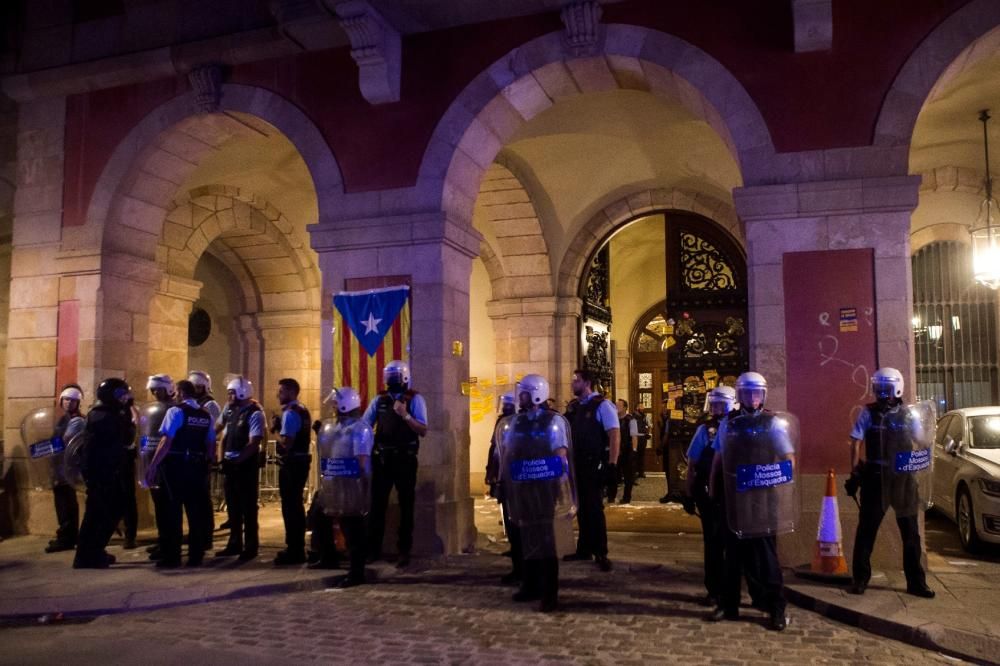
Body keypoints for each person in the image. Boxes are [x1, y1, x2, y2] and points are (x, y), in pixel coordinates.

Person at [707, 372, 793, 631]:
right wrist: (712, 488)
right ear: (740, 395)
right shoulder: (729, 423)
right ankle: (728, 604)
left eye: (756, 393)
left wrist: (782, 477)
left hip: (763, 496)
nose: (752, 398)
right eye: (747, 393)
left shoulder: (772, 423)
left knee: (766, 555)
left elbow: (788, 455)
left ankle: (776, 607)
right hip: (735, 495)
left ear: (763, 395)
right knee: (732, 553)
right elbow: (718, 459)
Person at [846, 367, 935, 598]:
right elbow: (856, 441)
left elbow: (922, 441)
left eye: (887, 389)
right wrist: (855, 472)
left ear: (897, 388)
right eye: (879, 389)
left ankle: (916, 582)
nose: (882, 393)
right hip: (876, 477)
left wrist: (923, 455)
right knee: (866, 531)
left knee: (911, 533)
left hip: (903, 479)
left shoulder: (908, 414)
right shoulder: (868, 412)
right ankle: (860, 579)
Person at [499, 374, 575, 612]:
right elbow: (508, 450)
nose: (520, 397)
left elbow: (561, 451)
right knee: (526, 534)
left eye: (524, 393)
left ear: (536, 394)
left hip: (545, 486)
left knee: (546, 537)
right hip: (523, 484)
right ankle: (530, 584)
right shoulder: (518, 422)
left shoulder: (552, 422)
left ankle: (549, 592)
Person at [144, 380, 215, 567]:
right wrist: (208, 464)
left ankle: (172, 556)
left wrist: (152, 465)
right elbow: (210, 444)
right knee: (195, 513)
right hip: (197, 467)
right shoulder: (205, 415)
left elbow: (166, 441)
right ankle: (196, 555)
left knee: (172, 513)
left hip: (175, 466)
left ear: (181, 393)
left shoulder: (175, 411)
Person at [364, 360, 428, 568]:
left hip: (405, 458)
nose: (392, 381)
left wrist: (405, 415)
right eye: (389, 377)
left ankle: (404, 551)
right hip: (383, 458)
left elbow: (423, 430)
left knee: (406, 505)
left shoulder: (414, 399)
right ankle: (373, 549)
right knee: (377, 505)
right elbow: (366, 425)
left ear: (404, 378)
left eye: (395, 377)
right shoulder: (379, 400)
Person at [74, 378, 135, 569]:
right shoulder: (103, 415)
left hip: (106, 471)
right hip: (101, 473)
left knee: (108, 510)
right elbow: (125, 437)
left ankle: (94, 550)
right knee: (97, 514)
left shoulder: (107, 413)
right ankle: (87, 555)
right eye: (121, 394)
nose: (124, 398)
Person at [682, 385, 735, 607]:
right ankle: (714, 589)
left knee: (734, 543)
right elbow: (693, 462)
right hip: (709, 492)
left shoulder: (737, 425)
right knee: (713, 541)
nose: (716, 408)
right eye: (713, 403)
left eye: (720, 403)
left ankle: (735, 589)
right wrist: (688, 491)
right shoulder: (706, 429)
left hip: (734, 491)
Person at [563, 368, 619, 572]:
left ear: (587, 383)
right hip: (577, 464)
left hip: (594, 464)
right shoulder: (575, 407)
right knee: (582, 507)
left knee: (594, 508)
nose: (572, 384)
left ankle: (601, 552)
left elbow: (614, 434)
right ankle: (584, 549)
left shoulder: (603, 405)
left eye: (575, 381)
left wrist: (612, 464)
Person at [318, 386, 374, 588]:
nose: (333, 407)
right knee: (329, 521)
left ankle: (356, 572)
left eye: (335, 404)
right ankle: (329, 558)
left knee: (353, 530)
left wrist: (361, 487)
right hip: (336, 482)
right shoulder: (337, 427)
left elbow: (362, 460)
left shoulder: (360, 429)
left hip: (351, 485)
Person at [215, 375, 264, 562]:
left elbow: (254, 443)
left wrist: (237, 461)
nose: (228, 396)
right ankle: (234, 543)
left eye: (231, 393)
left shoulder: (255, 413)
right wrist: (221, 459)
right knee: (233, 507)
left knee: (248, 508)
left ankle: (251, 546)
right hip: (230, 464)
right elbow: (221, 432)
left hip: (245, 466)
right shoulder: (230, 411)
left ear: (241, 393)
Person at [274, 377, 313, 565]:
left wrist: (274, 430)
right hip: (302, 461)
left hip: (292, 464)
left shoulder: (290, 413)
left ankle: (294, 548)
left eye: (281, 391)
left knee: (290, 507)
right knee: (296, 505)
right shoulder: (303, 410)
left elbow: (286, 443)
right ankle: (296, 547)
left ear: (291, 392)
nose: (277, 395)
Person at [138, 374, 175, 562]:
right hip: (152, 461)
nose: (154, 393)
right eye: (152, 390)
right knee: (159, 506)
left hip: (167, 464)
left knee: (167, 507)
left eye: (158, 389)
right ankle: (162, 541)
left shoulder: (173, 409)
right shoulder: (154, 409)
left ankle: (168, 544)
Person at [45, 385, 86, 553]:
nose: (69, 403)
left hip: (67, 467)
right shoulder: (63, 419)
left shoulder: (76, 420)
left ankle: (67, 536)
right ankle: (66, 533)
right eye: (66, 399)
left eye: (73, 400)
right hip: (59, 465)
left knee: (66, 501)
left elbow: (66, 440)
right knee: (62, 501)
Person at [487, 393, 522, 584]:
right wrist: (490, 471)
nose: (506, 407)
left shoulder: (521, 422)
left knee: (519, 522)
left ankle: (522, 566)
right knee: (507, 515)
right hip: (503, 474)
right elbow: (495, 448)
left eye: (509, 404)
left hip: (518, 476)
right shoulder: (501, 422)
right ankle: (515, 553)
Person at [188, 370, 222, 549]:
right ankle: (198, 532)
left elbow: (214, 431)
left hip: (203, 453)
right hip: (194, 453)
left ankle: (206, 532)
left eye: (197, 387)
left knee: (203, 496)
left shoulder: (210, 405)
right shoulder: (194, 404)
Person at [611, 399, 638, 504]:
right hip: (615, 450)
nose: (617, 407)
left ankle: (627, 497)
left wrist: (634, 450)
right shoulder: (613, 420)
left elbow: (634, 436)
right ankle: (611, 496)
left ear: (625, 408)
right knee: (613, 474)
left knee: (628, 476)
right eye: (616, 405)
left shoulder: (630, 420)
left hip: (626, 450)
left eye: (619, 405)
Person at [657, 403, 672, 503]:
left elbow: (666, 435)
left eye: (664, 407)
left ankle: (671, 493)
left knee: (669, 471)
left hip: (669, 449)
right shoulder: (665, 419)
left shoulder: (670, 420)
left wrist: (660, 447)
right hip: (669, 449)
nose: (662, 409)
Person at [633, 404, 650, 479]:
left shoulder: (644, 417)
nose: (643, 409)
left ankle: (641, 472)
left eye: (643, 408)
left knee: (641, 455)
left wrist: (647, 432)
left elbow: (648, 425)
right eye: (641, 407)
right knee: (635, 455)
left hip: (643, 437)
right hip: (636, 437)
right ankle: (634, 472)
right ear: (637, 408)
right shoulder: (633, 417)